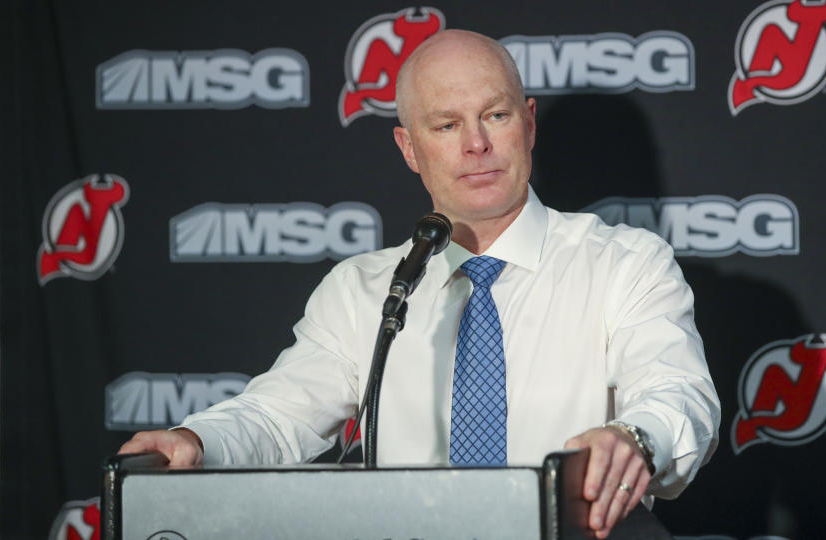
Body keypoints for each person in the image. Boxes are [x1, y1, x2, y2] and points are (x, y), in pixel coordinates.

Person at [119, 29, 720, 539]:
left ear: (528, 125)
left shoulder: (625, 263)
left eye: (495, 115)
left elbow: (677, 394)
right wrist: (199, 439)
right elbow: (278, 416)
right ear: (409, 147)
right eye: (446, 124)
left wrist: (633, 438)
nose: (476, 144)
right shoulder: (363, 290)